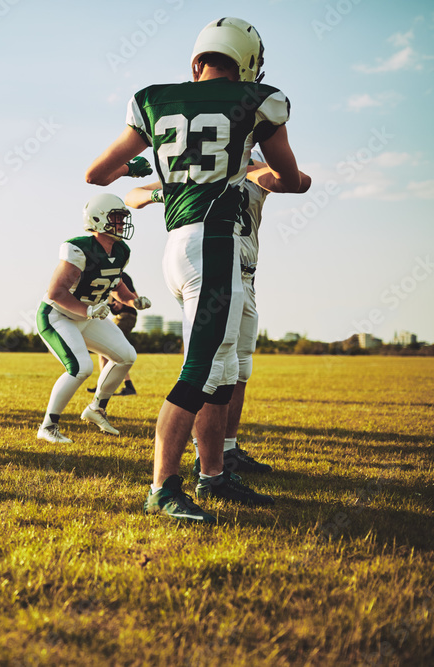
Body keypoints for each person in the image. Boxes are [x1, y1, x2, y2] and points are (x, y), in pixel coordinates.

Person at [85, 17, 309, 522]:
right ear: (248, 64)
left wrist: (147, 168)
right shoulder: (261, 99)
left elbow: (97, 174)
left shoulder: (150, 98)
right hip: (216, 245)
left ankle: (213, 476)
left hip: (178, 245)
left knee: (222, 369)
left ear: (197, 61)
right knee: (200, 372)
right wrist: (254, 167)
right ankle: (162, 487)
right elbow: (292, 177)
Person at [126, 152, 310, 477]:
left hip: (246, 273)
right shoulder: (202, 167)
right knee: (206, 367)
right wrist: (162, 192)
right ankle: (201, 460)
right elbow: (132, 195)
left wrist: (244, 170)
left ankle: (226, 451)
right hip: (213, 265)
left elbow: (296, 181)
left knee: (239, 367)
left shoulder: (253, 165)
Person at [35, 193, 152, 444]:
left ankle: (96, 408)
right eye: (117, 217)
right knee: (81, 368)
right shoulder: (79, 248)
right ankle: (48, 426)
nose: (121, 223)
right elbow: (56, 293)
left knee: (126, 356)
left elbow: (116, 284)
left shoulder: (120, 251)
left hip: (87, 316)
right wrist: (87, 311)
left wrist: (133, 301)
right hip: (57, 316)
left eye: (122, 218)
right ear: (99, 219)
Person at [85, 272, 140, 396]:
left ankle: (119, 385)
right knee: (104, 351)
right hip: (121, 317)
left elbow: (135, 298)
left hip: (126, 317)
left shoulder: (123, 277)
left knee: (110, 349)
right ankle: (104, 385)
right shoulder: (108, 279)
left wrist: (122, 302)